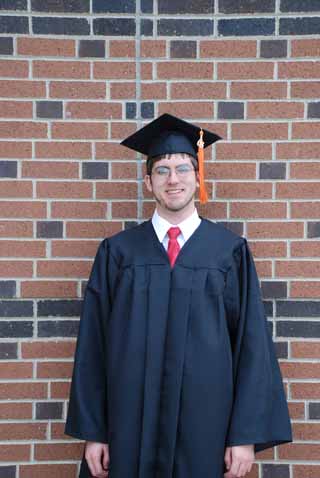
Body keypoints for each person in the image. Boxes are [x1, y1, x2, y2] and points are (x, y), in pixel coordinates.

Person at [65, 113, 292, 478]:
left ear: (197, 177)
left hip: (206, 428)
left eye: (184, 168)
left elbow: (252, 347)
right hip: (128, 425)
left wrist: (244, 436)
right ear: (148, 182)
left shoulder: (228, 252)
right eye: (162, 170)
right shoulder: (118, 253)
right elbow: (93, 345)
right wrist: (94, 431)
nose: (174, 179)